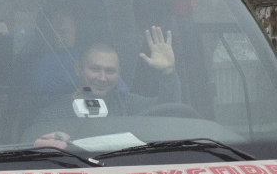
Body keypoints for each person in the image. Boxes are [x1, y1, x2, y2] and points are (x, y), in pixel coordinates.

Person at [29, 27, 180, 147]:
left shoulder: (127, 104)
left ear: (119, 73)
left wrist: (168, 73)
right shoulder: (52, 115)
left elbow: (168, 109)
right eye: (95, 69)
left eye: (110, 71)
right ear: (77, 69)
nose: (102, 78)